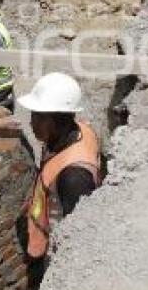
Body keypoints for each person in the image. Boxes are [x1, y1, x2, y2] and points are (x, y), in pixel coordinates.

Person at [21, 73, 101, 261]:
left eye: (37, 116)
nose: (31, 123)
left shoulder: (74, 177)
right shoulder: (78, 130)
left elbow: (77, 234)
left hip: (53, 250)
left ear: (55, 121)